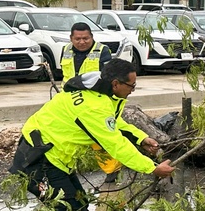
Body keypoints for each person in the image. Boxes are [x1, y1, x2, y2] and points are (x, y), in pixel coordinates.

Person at [9, 59, 174, 210]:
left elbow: (112, 122)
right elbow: (116, 144)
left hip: (55, 157)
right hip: (38, 160)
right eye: (132, 85)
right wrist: (152, 168)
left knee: (81, 203)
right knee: (68, 207)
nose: (133, 90)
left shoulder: (97, 89)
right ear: (116, 83)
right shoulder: (93, 107)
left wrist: (140, 138)